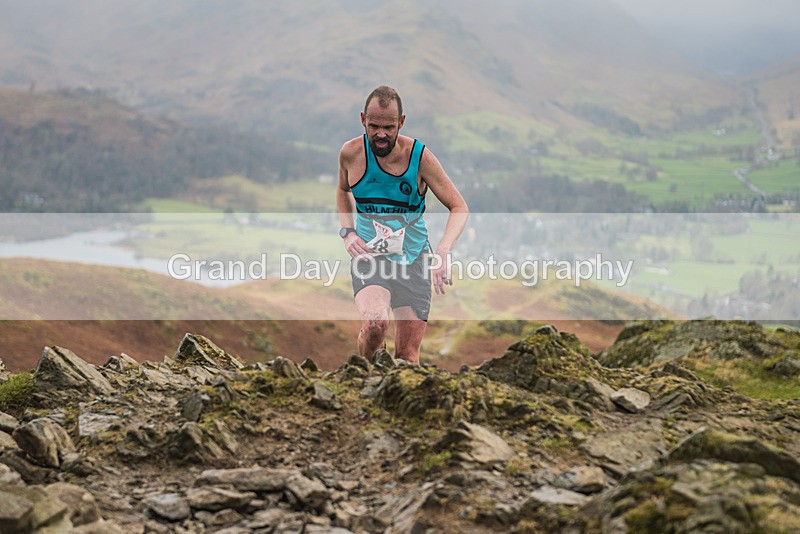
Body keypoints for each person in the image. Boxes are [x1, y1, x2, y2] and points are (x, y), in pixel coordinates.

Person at [337, 85, 468, 365]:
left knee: (407, 357)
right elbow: (342, 190)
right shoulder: (351, 154)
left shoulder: (419, 157)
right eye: (374, 126)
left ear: (402, 123)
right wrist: (348, 232)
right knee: (374, 325)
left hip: (414, 258)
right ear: (363, 119)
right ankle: (365, 380)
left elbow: (459, 207)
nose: (381, 134)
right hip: (370, 257)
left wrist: (443, 251)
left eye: (389, 127)